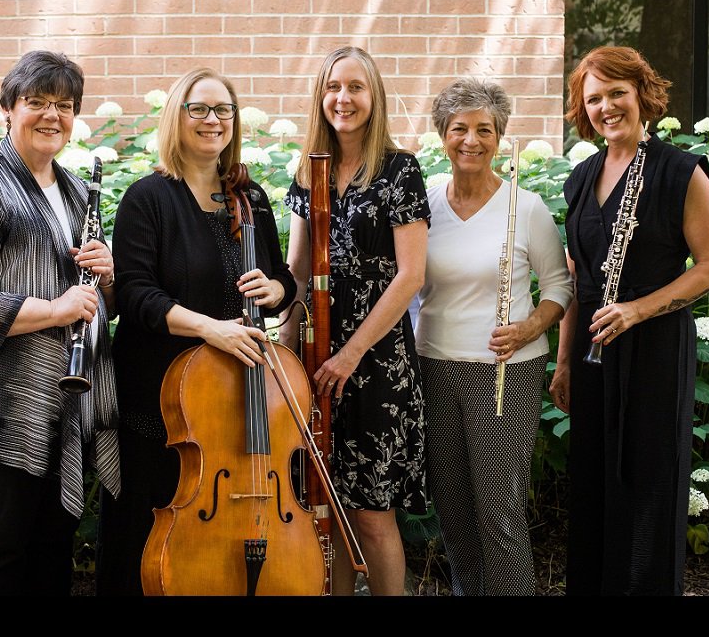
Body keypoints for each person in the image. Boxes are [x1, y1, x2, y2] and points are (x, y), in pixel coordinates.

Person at [95, 67, 297, 595]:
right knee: (152, 524)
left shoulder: (249, 198)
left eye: (223, 110)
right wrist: (211, 329)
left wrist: (276, 290)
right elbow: (136, 296)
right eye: (200, 109)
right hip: (163, 395)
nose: (213, 121)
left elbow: (283, 277)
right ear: (177, 118)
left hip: (234, 392)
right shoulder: (149, 198)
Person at [0, 50, 120, 595]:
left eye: (63, 105)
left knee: (49, 558)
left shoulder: (79, 189)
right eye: (36, 102)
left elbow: (94, 297)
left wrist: (106, 277)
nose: (51, 115)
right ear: (9, 108)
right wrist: (55, 311)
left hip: (62, 405)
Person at [548, 46, 709, 595]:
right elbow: (579, 281)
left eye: (617, 93)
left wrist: (638, 309)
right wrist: (563, 365)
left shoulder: (680, 170)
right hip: (593, 354)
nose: (607, 107)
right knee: (596, 488)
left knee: (648, 487)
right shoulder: (580, 177)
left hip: (654, 352)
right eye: (594, 98)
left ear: (641, 94)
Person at [413, 77, 572, 595]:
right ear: (443, 135)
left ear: (500, 137)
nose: (472, 140)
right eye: (459, 128)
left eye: (485, 129)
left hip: (507, 372)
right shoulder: (425, 203)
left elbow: (559, 288)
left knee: (499, 514)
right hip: (434, 366)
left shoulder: (525, 207)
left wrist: (529, 326)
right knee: (455, 511)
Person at [279, 46, 428, 596]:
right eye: (334, 87)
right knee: (328, 505)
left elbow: (410, 276)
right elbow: (294, 273)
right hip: (317, 359)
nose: (344, 98)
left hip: (377, 362)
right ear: (321, 95)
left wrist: (352, 353)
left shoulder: (398, 169)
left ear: (375, 97)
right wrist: (288, 353)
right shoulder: (307, 170)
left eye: (356, 87)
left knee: (371, 513)